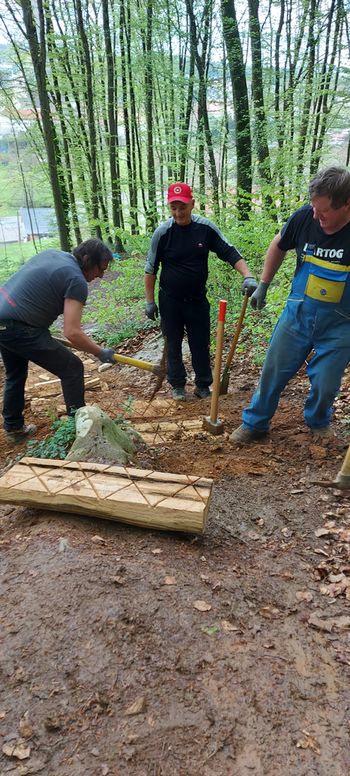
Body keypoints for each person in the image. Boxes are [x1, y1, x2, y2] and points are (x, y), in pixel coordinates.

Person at [231, 165, 350, 444]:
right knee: (272, 370)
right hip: (298, 315)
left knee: (326, 383)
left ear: (346, 204)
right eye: (313, 208)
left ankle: (318, 422)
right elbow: (278, 244)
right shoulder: (304, 219)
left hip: (340, 325)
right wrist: (264, 284)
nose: (316, 215)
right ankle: (255, 423)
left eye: (323, 212)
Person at [144, 182, 258, 400]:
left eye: (182, 207)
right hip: (170, 300)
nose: (178, 213)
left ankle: (203, 385)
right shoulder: (163, 233)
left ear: (192, 204)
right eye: (173, 208)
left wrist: (248, 276)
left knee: (200, 342)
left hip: (196, 300)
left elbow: (229, 252)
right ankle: (177, 385)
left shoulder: (205, 229)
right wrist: (149, 302)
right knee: (172, 343)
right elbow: (150, 269)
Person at [0, 238, 118, 443]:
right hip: (19, 327)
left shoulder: (55, 254)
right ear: (89, 260)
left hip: (3, 318)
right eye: (101, 268)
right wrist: (100, 352)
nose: (101, 275)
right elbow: (72, 332)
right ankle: (79, 430)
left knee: (16, 373)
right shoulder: (76, 280)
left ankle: (14, 429)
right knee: (72, 368)